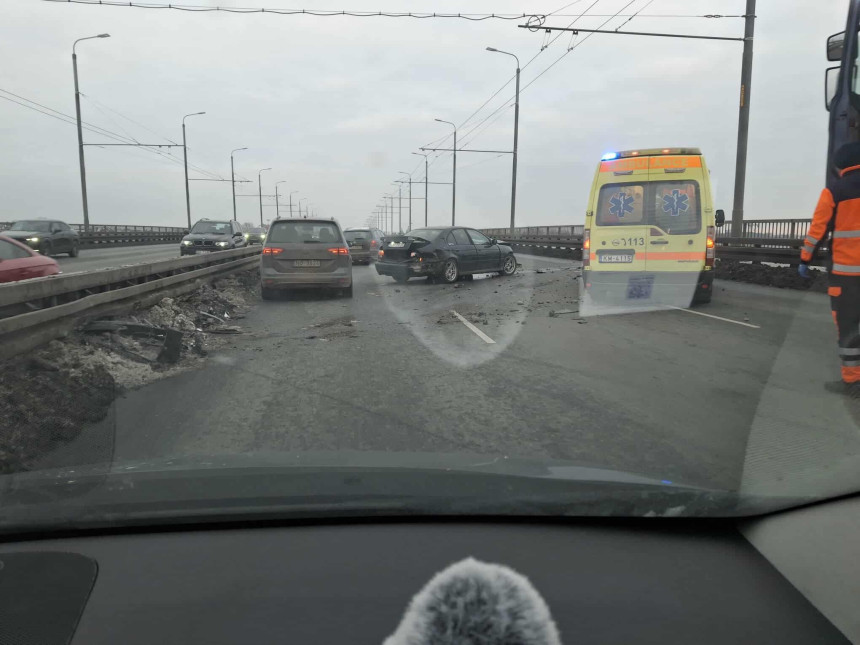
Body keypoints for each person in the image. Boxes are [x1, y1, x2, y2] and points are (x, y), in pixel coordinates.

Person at [799, 142, 860, 396]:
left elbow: (818, 229)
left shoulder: (835, 191)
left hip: (847, 276)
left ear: (840, 165)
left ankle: (853, 382)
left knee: (849, 327)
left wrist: (805, 259)